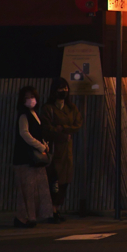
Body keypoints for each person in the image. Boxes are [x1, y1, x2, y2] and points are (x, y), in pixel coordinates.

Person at [39, 77, 83, 223]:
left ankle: (57, 208)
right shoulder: (48, 108)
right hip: (53, 149)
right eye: (60, 89)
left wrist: (62, 129)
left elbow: (77, 125)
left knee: (65, 180)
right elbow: (46, 128)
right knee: (53, 180)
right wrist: (61, 132)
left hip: (66, 150)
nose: (63, 91)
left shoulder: (71, 108)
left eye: (65, 88)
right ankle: (51, 210)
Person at [13, 86, 53, 228]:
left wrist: (44, 145)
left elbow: (37, 133)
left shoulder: (34, 114)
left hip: (34, 157)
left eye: (32, 96)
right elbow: (24, 133)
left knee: (35, 188)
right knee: (27, 189)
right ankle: (24, 217)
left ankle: (32, 216)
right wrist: (40, 146)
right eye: (27, 97)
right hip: (25, 157)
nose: (30, 100)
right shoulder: (24, 114)